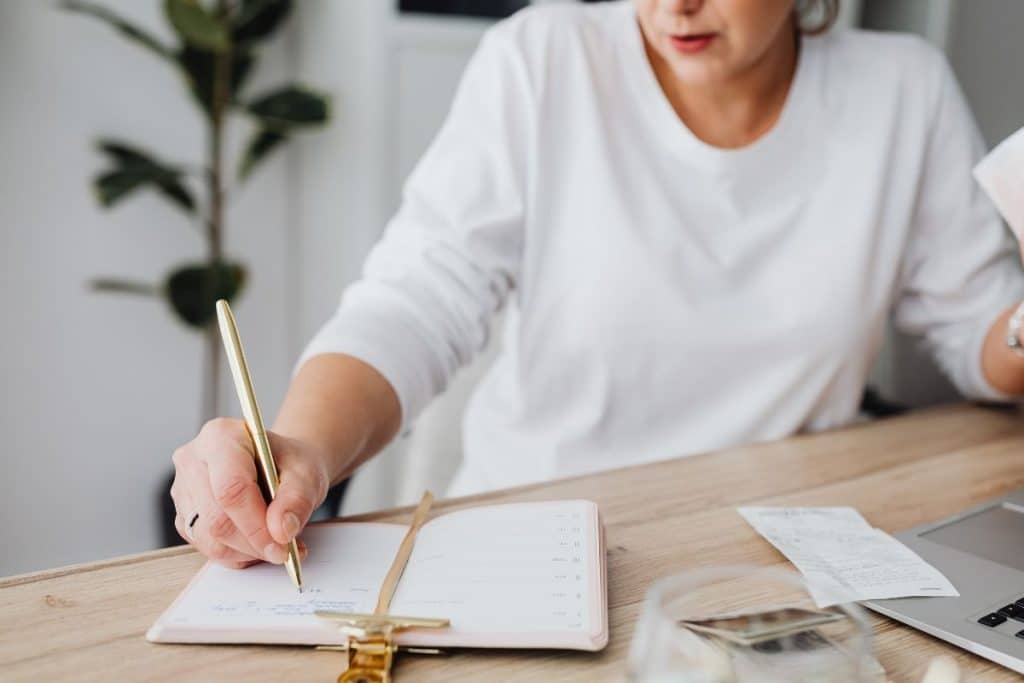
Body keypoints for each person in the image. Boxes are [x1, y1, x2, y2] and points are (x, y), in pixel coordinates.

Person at [169, 0, 1024, 568]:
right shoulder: (544, 59)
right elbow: (417, 299)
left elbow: (981, 333)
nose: (674, 4)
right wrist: (305, 448)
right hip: (533, 557)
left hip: (774, 569)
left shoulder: (903, 90)